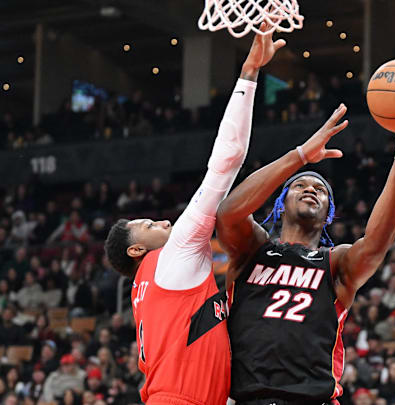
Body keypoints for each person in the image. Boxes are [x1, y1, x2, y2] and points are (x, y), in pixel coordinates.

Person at [215, 82, 395, 403]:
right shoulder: (253, 250)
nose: (311, 189)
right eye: (300, 186)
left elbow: (376, 244)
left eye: (320, 190)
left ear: (328, 216)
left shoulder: (335, 263)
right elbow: (227, 214)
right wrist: (299, 157)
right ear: (280, 204)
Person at [102, 27, 286, 405]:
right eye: (150, 226)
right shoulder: (170, 256)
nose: (165, 223)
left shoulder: (151, 290)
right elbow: (226, 161)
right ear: (137, 251)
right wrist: (249, 73)